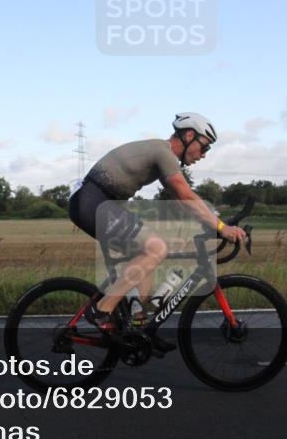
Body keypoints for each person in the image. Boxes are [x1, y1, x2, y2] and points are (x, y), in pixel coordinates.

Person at [68, 113, 247, 350]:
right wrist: (221, 228)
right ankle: (101, 311)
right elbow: (185, 195)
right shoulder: (163, 152)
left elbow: (183, 200)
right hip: (94, 203)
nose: (203, 155)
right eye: (204, 147)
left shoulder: (161, 155)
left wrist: (213, 219)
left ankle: (140, 328)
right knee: (155, 248)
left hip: (99, 202)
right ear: (189, 135)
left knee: (148, 251)